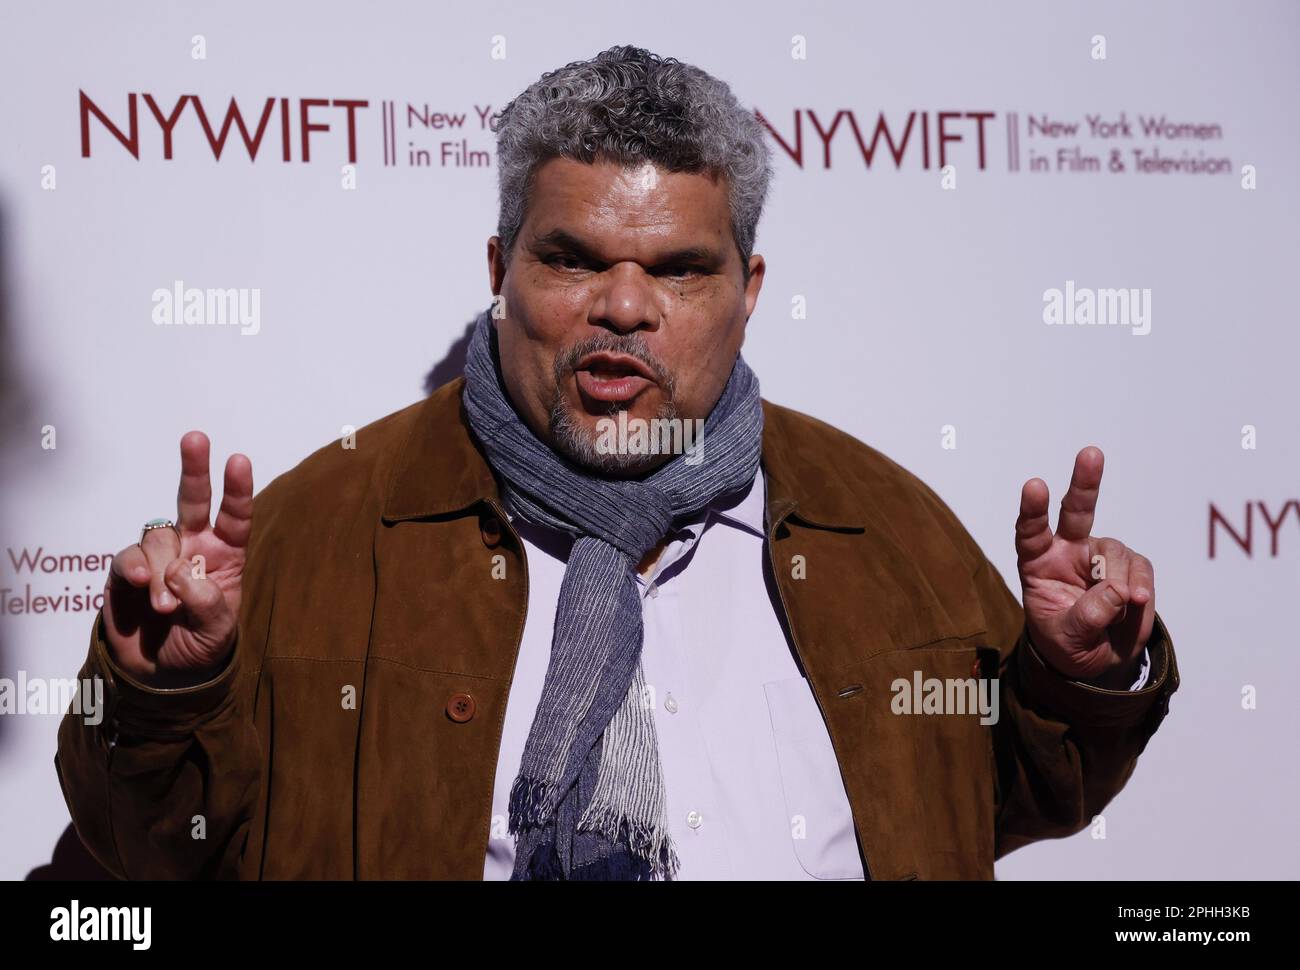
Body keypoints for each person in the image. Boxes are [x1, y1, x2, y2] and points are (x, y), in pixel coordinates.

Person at [56, 44, 1179, 881]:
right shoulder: (322, 529)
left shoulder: (885, 528)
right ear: (500, 268)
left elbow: (1008, 795)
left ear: (749, 288)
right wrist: (161, 693)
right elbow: (153, 848)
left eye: (681, 270)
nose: (624, 308)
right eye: (572, 258)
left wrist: (1073, 682)